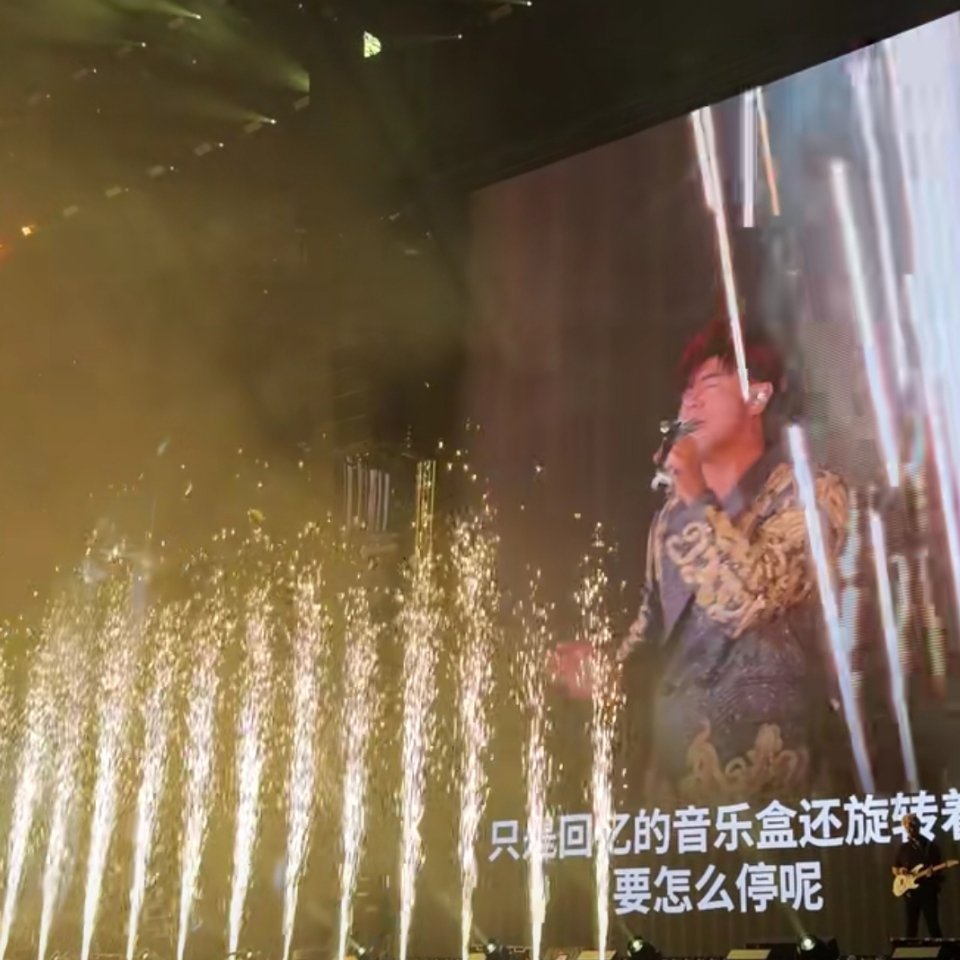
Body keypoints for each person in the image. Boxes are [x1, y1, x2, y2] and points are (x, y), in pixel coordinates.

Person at [553, 319, 849, 804]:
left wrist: (694, 495)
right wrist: (607, 675)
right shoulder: (670, 518)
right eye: (686, 392)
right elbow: (655, 636)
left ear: (758, 397)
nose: (689, 403)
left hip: (778, 800)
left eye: (709, 386)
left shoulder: (810, 494)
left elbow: (747, 602)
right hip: (677, 804)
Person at [893, 814, 944, 938]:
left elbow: (939, 867)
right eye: (906, 826)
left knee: (933, 925)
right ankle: (909, 949)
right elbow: (894, 868)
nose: (909, 829)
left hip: (928, 891)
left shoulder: (930, 846)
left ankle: (941, 949)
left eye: (911, 825)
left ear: (918, 826)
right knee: (911, 927)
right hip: (911, 893)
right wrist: (900, 871)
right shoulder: (903, 848)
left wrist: (932, 873)